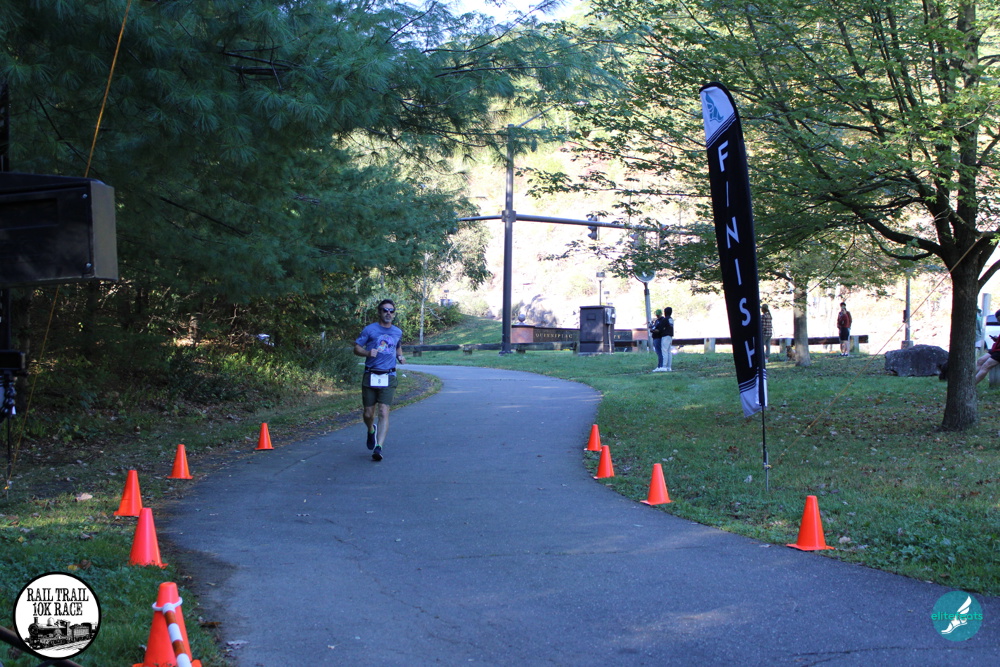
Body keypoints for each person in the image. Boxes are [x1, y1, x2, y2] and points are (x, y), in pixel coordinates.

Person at [353, 299, 405, 461]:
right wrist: (367, 353)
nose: (388, 313)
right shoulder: (370, 329)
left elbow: (397, 346)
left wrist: (400, 356)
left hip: (389, 376)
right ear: (379, 312)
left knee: (383, 411)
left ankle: (379, 447)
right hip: (371, 374)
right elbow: (357, 348)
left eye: (391, 310)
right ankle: (371, 429)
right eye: (385, 310)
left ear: (394, 314)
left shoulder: (397, 331)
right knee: (368, 413)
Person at [975, 309, 1000, 384]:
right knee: (980, 361)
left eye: (999, 319)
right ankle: (968, 380)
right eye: (998, 320)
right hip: (996, 349)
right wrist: (997, 339)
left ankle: (971, 385)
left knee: (986, 366)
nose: (998, 321)